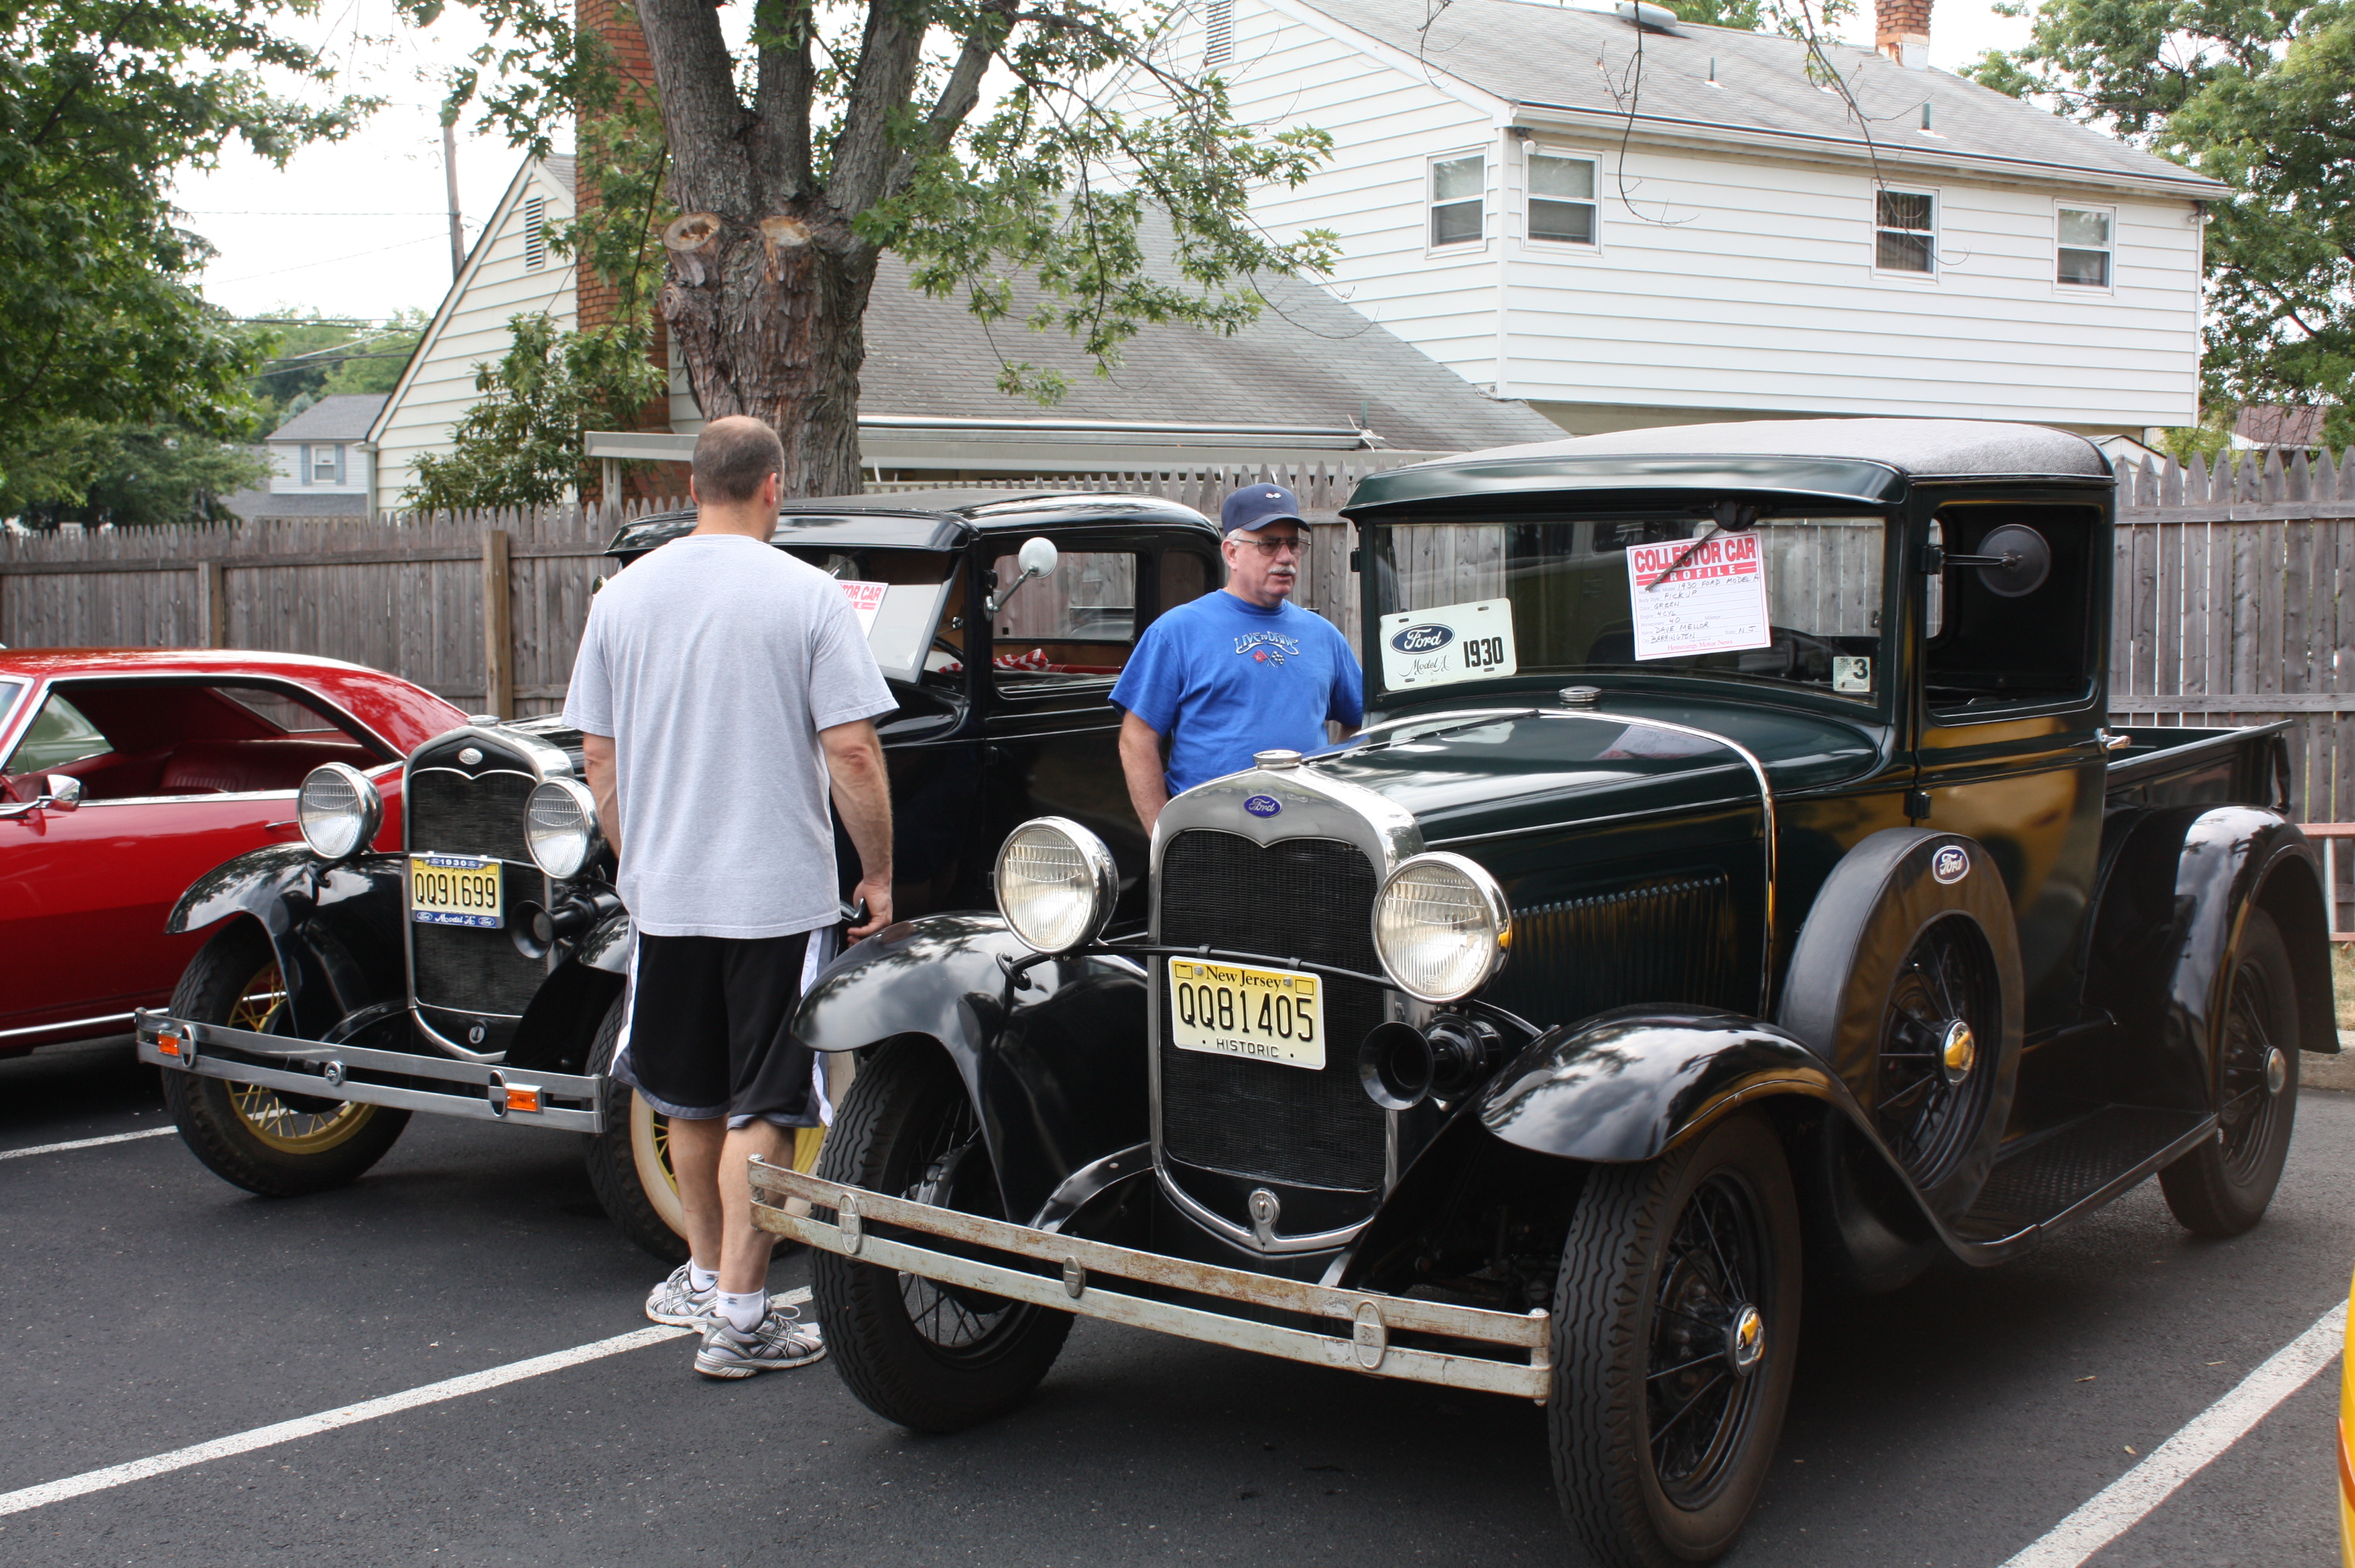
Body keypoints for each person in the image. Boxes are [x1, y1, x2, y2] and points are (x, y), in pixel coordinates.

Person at [564, 416, 896, 1380]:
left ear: (693, 485)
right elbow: (852, 751)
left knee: (688, 1094)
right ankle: (743, 1318)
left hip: (665, 895)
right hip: (774, 895)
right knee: (768, 1103)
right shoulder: (807, 594)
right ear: (772, 486)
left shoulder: (622, 596)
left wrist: (638, 860)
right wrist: (876, 872)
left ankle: (705, 1278)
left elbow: (597, 756)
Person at [1110, 483, 1362, 831]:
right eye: (1269, 544)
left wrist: (1331, 778)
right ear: (1231, 553)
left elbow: (1359, 719)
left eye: (1293, 544)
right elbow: (1136, 739)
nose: (1286, 557)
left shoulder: (1323, 635)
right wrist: (1161, 833)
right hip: (1210, 834)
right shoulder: (1177, 631)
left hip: (1308, 832)